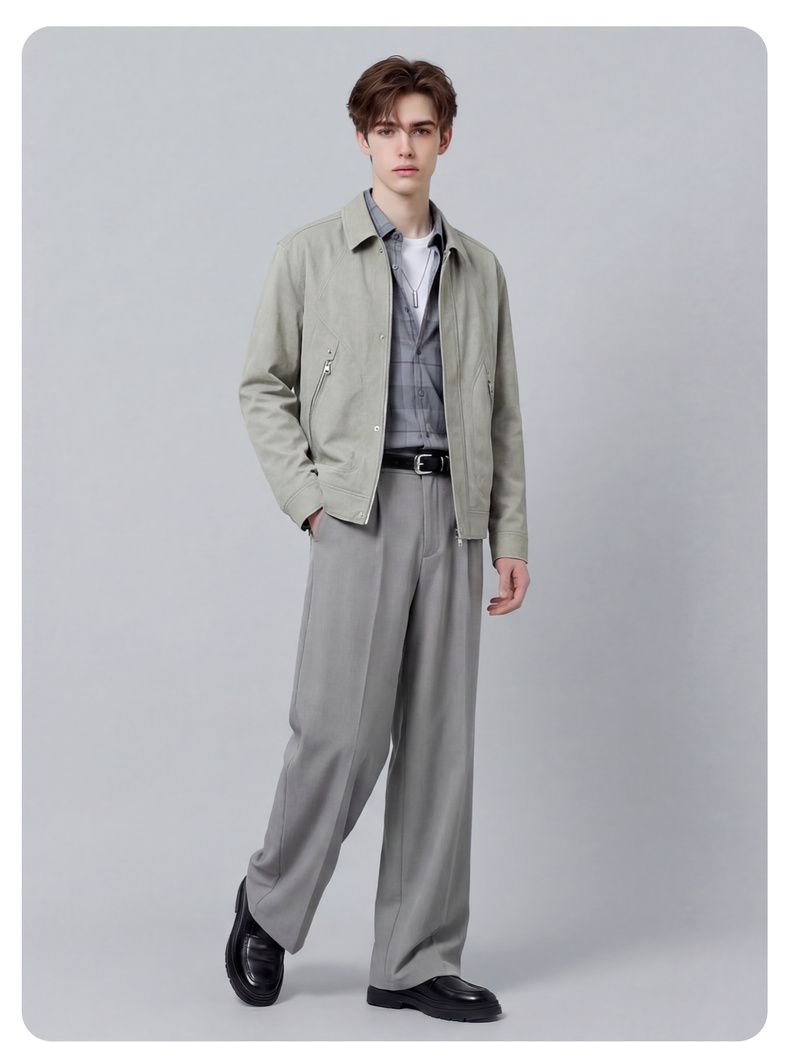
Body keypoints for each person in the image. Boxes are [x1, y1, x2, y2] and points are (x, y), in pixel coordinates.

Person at [225, 55, 529, 1023]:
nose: (405, 146)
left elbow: (501, 412)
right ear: (363, 138)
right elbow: (261, 386)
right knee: (339, 733)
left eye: (421, 128)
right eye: (388, 128)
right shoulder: (309, 254)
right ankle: (269, 904)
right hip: (359, 509)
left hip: (457, 517)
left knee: (440, 746)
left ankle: (413, 957)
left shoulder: (479, 269)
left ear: (445, 140)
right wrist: (310, 501)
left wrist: (509, 532)